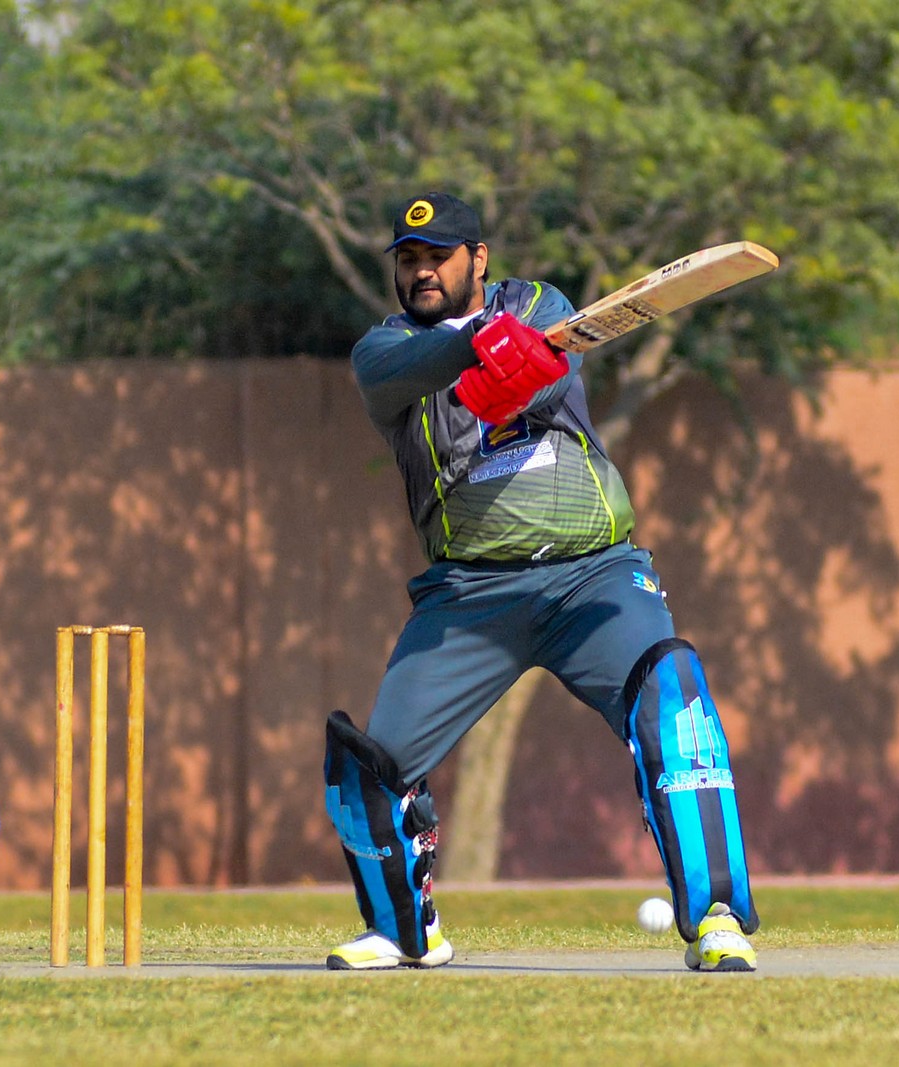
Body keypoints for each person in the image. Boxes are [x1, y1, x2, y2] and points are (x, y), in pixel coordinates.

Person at [322, 192, 759, 972]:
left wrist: (511, 365)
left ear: (478, 258)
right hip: (470, 597)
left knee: (673, 693)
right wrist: (473, 350)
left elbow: (545, 376)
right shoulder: (382, 350)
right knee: (370, 766)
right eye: (409, 260)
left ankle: (717, 916)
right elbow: (397, 376)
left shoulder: (539, 306)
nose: (422, 272)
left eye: (439, 257)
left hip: (595, 579)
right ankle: (404, 930)